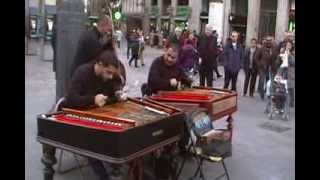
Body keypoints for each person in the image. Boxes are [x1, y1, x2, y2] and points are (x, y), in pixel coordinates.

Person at [64, 50, 126, 180]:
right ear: (99, 64)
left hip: (101, 113)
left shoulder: (110, 74)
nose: (110, 76)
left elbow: (115, 81)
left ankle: (117, 161)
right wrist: (92, 99)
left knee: (122, 130)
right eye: (108, 72)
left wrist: (118, 92)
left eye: (111, 73)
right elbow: (71, 99)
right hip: (80, 115)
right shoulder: (82, 72)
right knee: (94, 140)